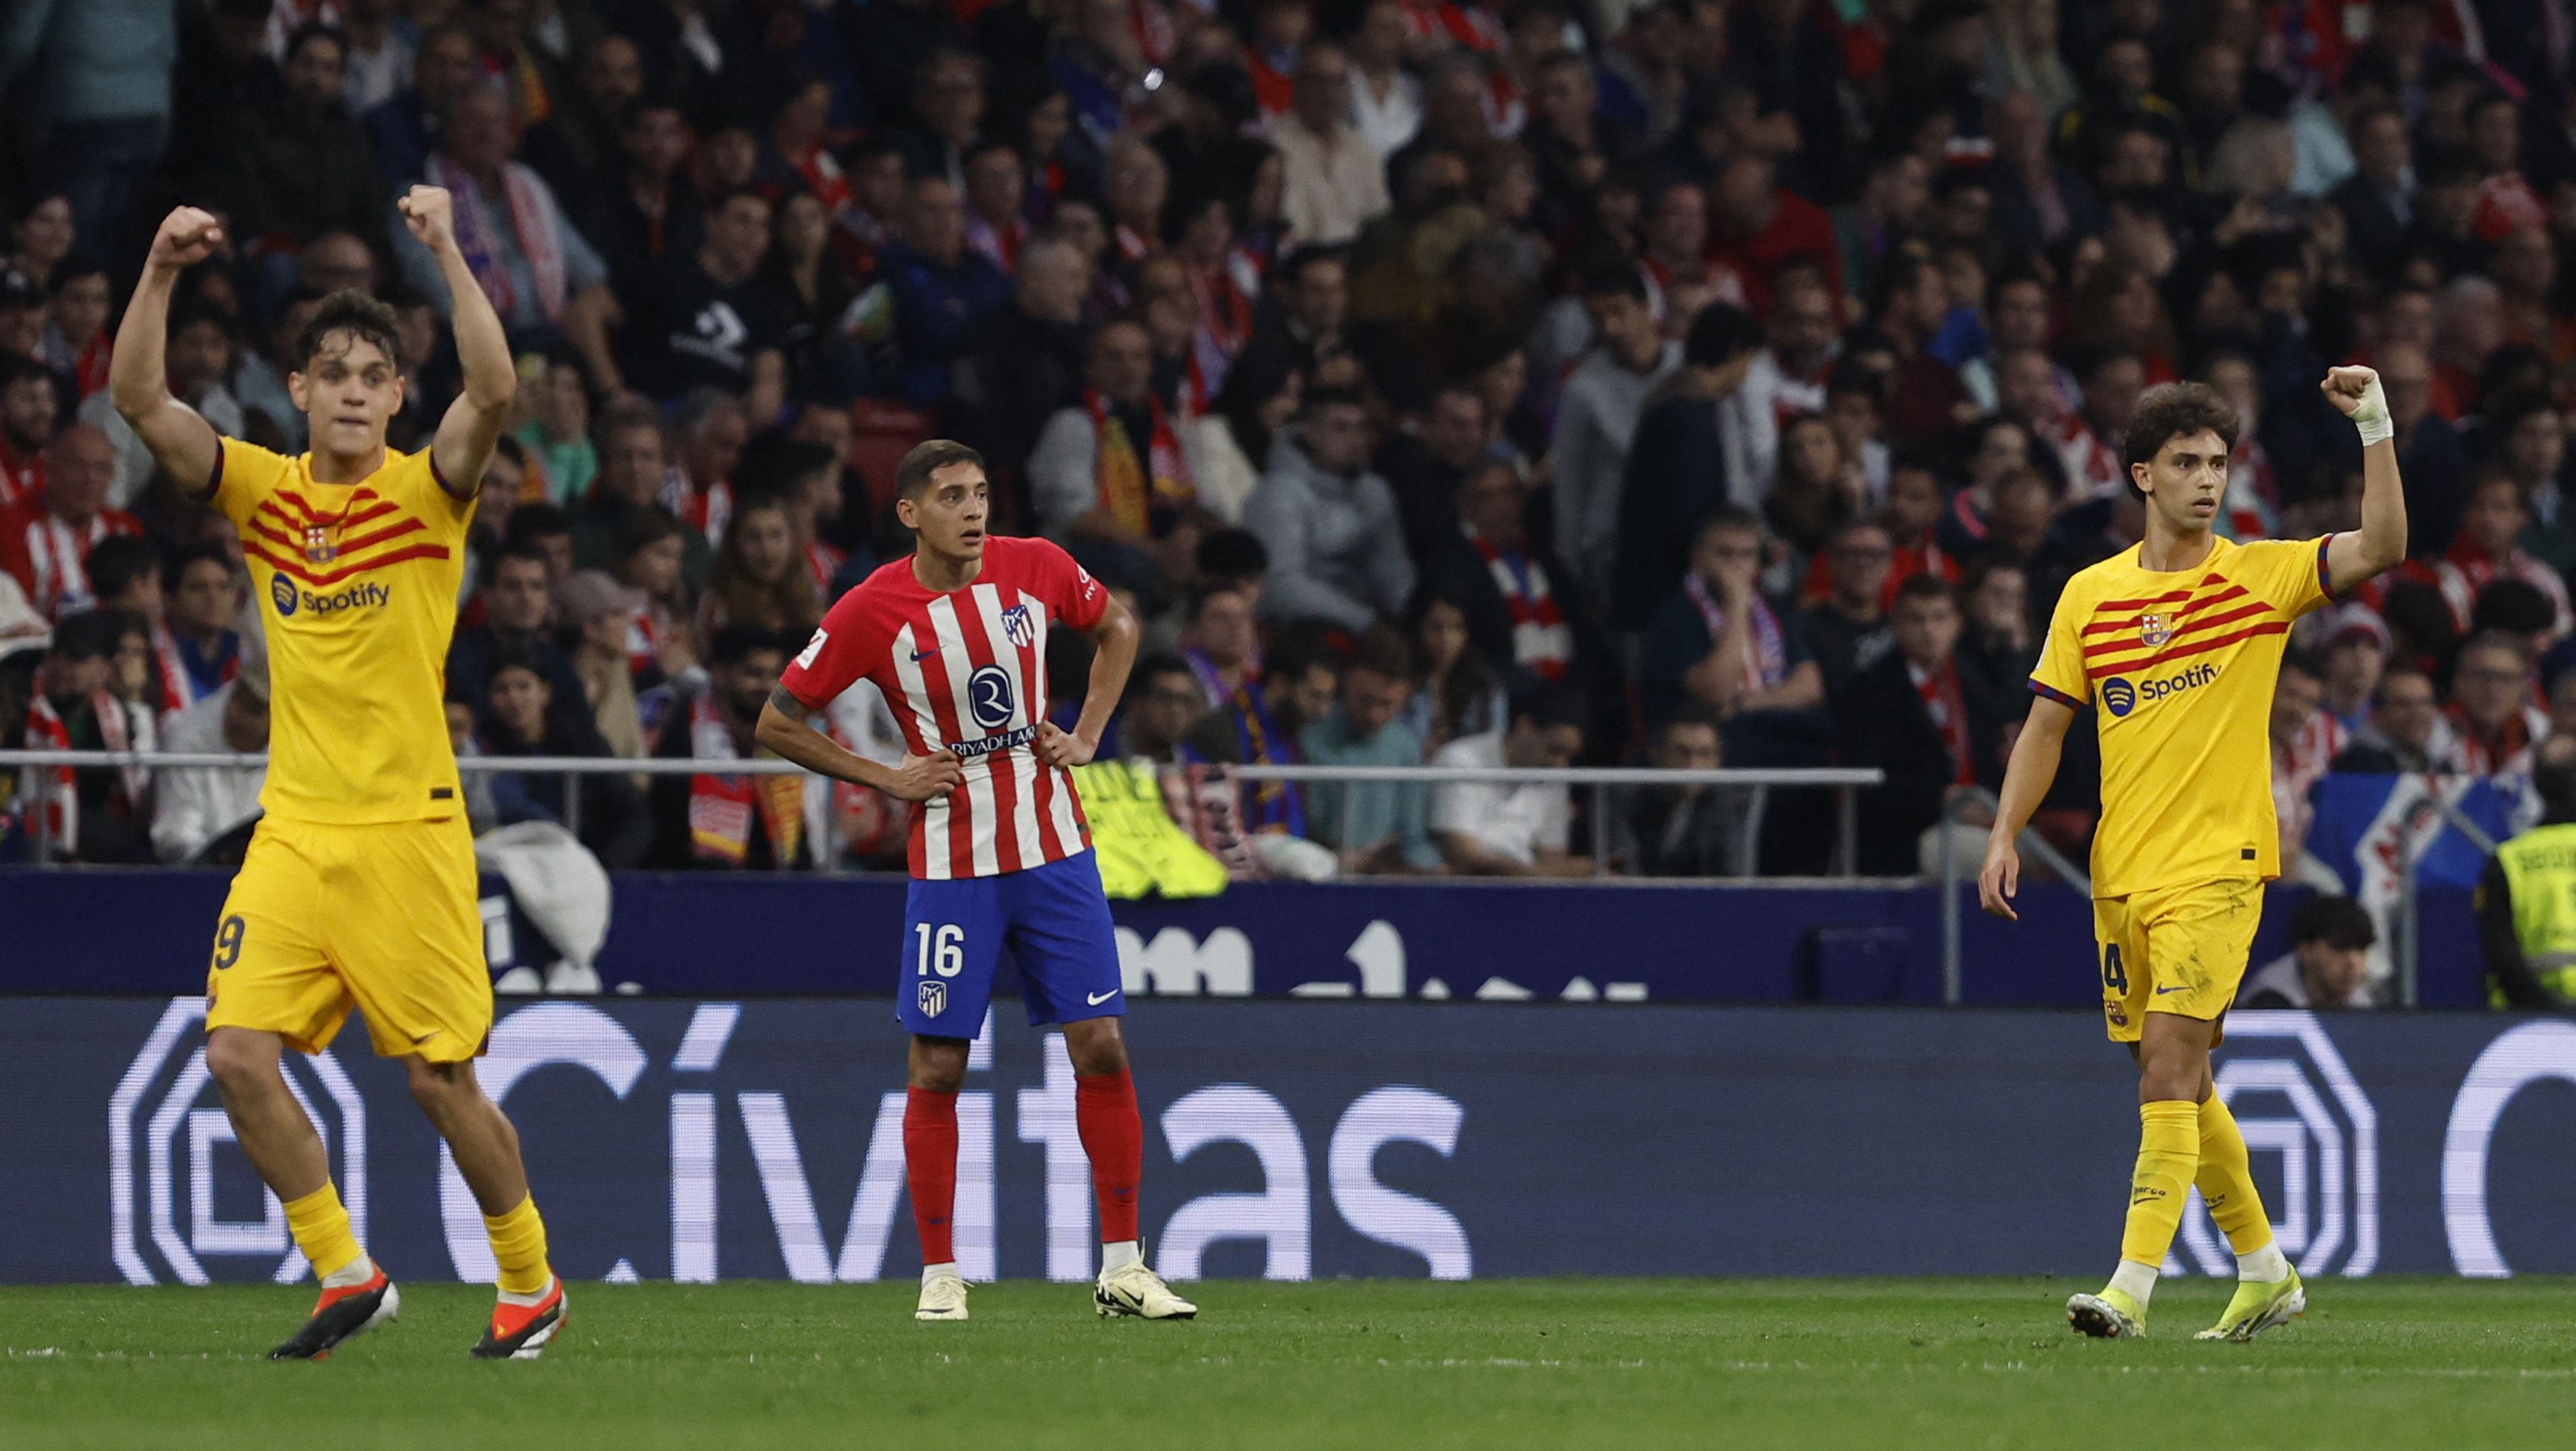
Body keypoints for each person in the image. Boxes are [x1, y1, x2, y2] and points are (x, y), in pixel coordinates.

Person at [109, 194, 564, 1359]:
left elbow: (499, 392)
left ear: (399, 397)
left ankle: (530, 1282)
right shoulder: (261, 491)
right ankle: (346, 1270)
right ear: (299, 390)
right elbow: (140, 402)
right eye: (334, 371)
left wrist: (449, 250)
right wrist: (160, 266)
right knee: (232, 1055)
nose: (357, 388)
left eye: (376, 373)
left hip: (409, 829)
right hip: (295, 832)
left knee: (438, 1080)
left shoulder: (428, 494)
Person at [1979, 371, 2409, 1342]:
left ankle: (2129, 1285)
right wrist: (2005, 830)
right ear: (2141, 474)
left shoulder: (2260, 577)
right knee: (2181, 1077)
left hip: (2217, 866)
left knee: (2166, 1066)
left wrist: (2374, 424)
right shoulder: (2089, 596)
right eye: (2184, 463)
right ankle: (2264, 1269)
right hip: (2118, 872)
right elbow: (2045, 729)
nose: (2205, 479)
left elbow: (2382, 544)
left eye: (2217, 462)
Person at [751, 440, 1195, 1324]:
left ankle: (1122, 1265)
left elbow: (1118, 626)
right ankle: (940, 1273)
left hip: (1056, 848)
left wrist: (1090, 729)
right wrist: (887, 775)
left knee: (1101, 1045)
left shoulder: (1033, 567)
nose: (973, 509)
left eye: (981, 492)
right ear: (910, 511)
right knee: (939, 1062)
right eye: (952, 495)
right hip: (954, 865)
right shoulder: (870, 607)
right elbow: (776, 720)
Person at [1299, 626, 1440, 874]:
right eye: (1365, 700)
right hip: (1314, 873)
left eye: (1387, 704)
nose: (1375, 715)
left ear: (1405, 693)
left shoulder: (1406, 747)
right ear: (1347, 681)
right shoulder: (1307, 738)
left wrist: (1434, 872)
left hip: (1386, 877)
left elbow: (1413, 839)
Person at [1429, 683, 1590, 878]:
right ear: (1525, 726)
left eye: (1568, 756)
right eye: (1554, 750)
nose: (1560, 765)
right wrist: (1534, 875)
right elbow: (1461, 852)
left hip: (1526, 896)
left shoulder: (1553, 777)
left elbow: (1552, 858)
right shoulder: (1460, 760)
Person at [2476, 734, 2576, 1009]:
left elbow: (2501, 956)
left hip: (2525, 1027)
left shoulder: (2510, 859)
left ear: (2537, 784)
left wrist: (2548, 1014)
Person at [1619, 706, 1754, 878]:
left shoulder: (1735, 804)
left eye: (1704, 754)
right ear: (1657, 754)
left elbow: (1732, 875)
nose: (1693, 764)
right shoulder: (1626, 795)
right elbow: (1623, 869)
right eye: (1683, 752)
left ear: (1718, 759)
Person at [2238, 895, 2377, 1010]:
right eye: (2339, 948)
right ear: (2305, 951)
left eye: (2361, 949)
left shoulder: (2361, 999)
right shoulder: (2268, 998)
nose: (2352, 962)